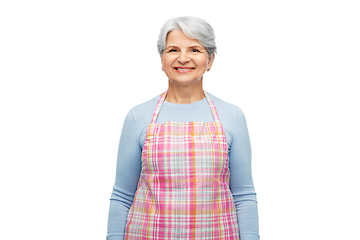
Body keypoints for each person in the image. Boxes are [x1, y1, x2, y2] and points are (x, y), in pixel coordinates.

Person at [107, 16, 259, 240]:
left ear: (210, 60)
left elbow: (244, 195)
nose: (183, 58)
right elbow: (122, 196)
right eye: (173, 50)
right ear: (162, 59)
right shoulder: (138, 117)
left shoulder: (232, 116)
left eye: (195, 50)